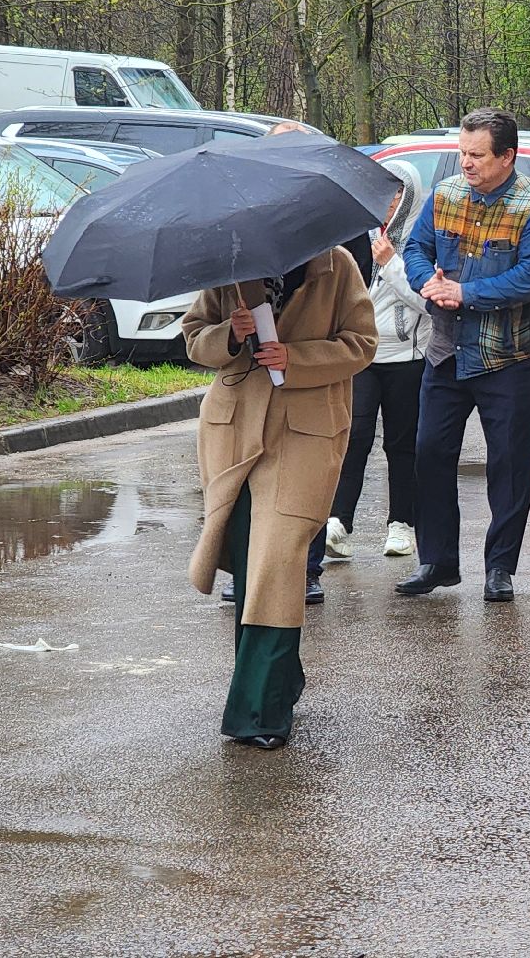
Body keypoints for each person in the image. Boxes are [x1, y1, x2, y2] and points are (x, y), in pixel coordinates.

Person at [182, 247, 376, 750]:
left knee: (278, 562)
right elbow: (193, 336)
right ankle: (282, 680)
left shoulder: (338, 267)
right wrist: (231, 333)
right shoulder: (230, 264)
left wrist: (298, 357)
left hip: (305, 433)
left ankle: (259, 713)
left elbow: (362, 344)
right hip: (234, 434)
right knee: (251, 565)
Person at [398, 109, 530, 603]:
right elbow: (415, 248)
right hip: (445, 352)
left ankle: (500, 568)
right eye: (463, 153)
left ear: (508, 156)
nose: (466, 163)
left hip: (506, 357)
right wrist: (427, 281)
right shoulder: (444, 195)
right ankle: (438, 562)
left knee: (507, 465)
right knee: (428, 455)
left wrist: (465, 293)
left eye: (477, 155)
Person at [307, 165, 432, 584]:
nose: (387, 202)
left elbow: (427, 301)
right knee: (352, 436)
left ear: (409, 196)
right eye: (382, 193)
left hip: (407, 354)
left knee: (402, 442)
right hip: (359, 354)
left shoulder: (421, 238)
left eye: (396, 195)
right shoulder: (354, 233)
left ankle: (401, 524)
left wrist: (393, 264)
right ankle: (339, 523)